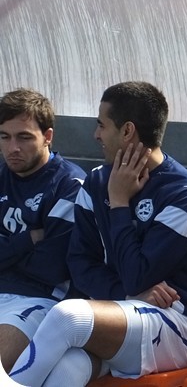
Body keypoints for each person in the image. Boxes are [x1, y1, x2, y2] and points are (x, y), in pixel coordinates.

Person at [10, 81, 187, 386]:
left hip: (173, 322)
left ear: (127, 131)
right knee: (68, 369)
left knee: (68, 316)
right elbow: (79, 265)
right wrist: (126, 294)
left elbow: (136, 276)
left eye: (102, 125)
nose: (96, 135)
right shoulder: (96, 182)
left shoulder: (185, 196)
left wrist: (119, 202)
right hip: (112, 312)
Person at [0, 88, 86, 372]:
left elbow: (51, 267)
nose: (13, 148)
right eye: (4, 137)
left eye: (24, 137)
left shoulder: (70, 185)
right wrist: (29, 239)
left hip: (38, 298)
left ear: (47, 136)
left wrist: (7, 248)